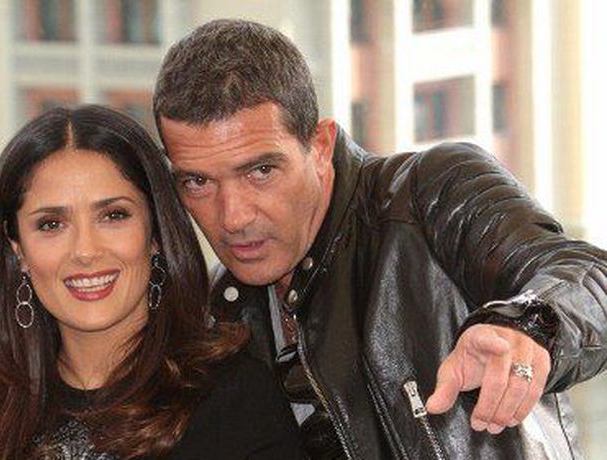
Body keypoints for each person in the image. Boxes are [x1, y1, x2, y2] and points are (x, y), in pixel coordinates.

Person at [152, 19, 607, 459]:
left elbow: (590, 276)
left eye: (261, 171)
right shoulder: (217, 317)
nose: (233, 217)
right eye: (197, 182)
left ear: (320, 147)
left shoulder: (429, 194)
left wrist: (530, 326)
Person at [0, 105, 304, 459]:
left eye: (113, 216)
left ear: (155, 233)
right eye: (51, 224)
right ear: (18, 248)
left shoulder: (233, 402)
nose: (85, 251)